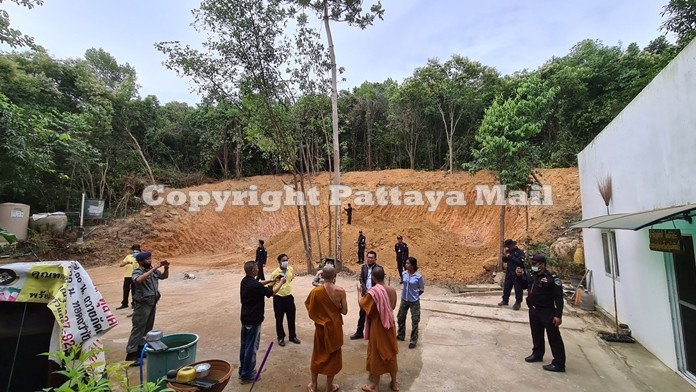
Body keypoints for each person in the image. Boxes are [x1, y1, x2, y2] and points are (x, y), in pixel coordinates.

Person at [515, 254, 566, 372]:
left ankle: (559, 363)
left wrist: (558, 315)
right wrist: (518, 276)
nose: (532, 266)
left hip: (547, 311)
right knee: (536, 333)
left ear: (542, 264)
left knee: (554, 337)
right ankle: (537, 354)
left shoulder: (552, 279)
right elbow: (523, 285)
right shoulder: (532, 275)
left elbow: (559, 298)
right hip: (533, 309)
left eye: (534, 264)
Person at [239, 260, 286, 384]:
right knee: (251, 347)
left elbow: (259, 284)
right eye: (257, 268)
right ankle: (247, 375)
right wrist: (281, 282)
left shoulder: (245, 281)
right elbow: (271, 293)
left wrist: (272, 280)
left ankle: (243, 370)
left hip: (245, 318)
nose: (258, 269)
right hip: (254, 319)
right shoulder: (255, 286)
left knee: (245, 345)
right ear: (253, 270)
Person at [305, 265, 347, 392]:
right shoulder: (340, 291)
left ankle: (314, 385)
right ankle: (329, 386)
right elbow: (344, 311)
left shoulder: (315, 292)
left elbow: (310, 308)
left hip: (321, 328)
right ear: (335, 276)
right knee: (333, 356)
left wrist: (321, 316)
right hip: (334, 327)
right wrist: (335, 308)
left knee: (317, 355)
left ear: (322, 276)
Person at [356, 266, 399, 392]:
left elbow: (362, 305)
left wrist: (358, 291)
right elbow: (392, 306)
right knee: (390, 352)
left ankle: (375, 386)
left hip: (378, 325)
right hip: (390, 325)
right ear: (384, 276)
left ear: (373, 278)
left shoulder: (372, 292)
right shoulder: (392, 290)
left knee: (377, 353)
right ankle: (394, 383)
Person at [124, 252, 169, 364]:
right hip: (142, 304)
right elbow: (138, 280)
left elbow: (164, 276)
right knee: (138, 329)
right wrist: (153, 269)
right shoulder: (138, 271)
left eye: (150, 258)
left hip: (152, 302)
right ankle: (131, 354)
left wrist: (166, 267)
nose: (149, 260)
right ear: (140, 262)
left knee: (147, 329)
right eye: (147, 259)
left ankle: (140, 350)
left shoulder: (152, 270)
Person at [269, 254, 301, 346]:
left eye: (287, 260)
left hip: (289, 297)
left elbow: (291, 279)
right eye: (283, 261)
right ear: (279, 262)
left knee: (291, 318)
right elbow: (270, 286)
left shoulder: (290, 270)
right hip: (278, 299)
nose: (286, 262)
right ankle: (281, 337)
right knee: (279, 319)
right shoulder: (275, 273)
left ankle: (292, 336)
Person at [350, 250, 380, 340]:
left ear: (375, 259)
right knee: (362, 313)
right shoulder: (364, 267)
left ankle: (373, 333)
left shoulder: (378, 269)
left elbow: (379, 281)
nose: (370, 259)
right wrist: (365, 289)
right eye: (369, 257)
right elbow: (361, 278)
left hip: (374, 295)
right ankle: (359, 332)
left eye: (372, 257)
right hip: (365, 294)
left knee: (373, 314)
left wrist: (372, 291)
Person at [397, 257, 425, 349]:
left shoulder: (418, 277)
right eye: (406, 263)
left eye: (408, 263)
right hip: (404, 299)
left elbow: (421, 289)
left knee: (415, 320)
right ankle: (401, 335)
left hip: (414, 301)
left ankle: (413, 340)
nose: (406, 265)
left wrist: (415, 295)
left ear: (413, 265)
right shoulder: (404, 273)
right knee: (400, 317)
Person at [499, 239, 526, 310]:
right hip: (509, 272)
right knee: (507, 287)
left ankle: (518, 302)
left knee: (518, 288)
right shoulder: (508, 252)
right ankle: (505, 300)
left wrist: (510, 256)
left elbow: (520, 262)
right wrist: (504, 256)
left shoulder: (520, 252)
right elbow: (505, 260)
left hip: (517, 273)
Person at [117, 244, 140, 309]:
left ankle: (134, 303)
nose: (136, 252)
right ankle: (124, 303)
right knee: (126, 290)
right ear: (132, 251)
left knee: (134, 290)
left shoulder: (140, 257)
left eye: (137, 251)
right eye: (135, 251)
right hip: (127, 275)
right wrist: (127, 263)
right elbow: (121, 265)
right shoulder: (128, 257)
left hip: (136, 275)